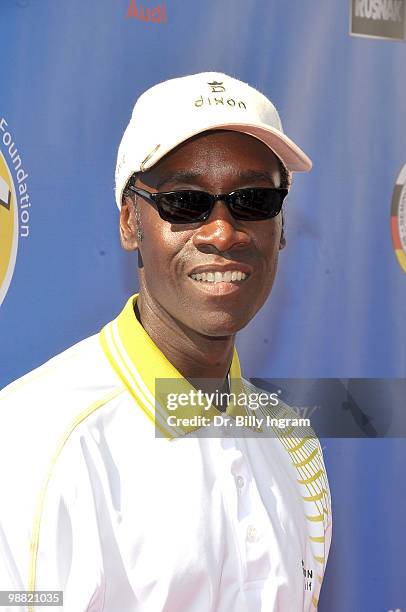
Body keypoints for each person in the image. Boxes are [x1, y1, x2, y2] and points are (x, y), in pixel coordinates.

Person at [0, 72, 332, 612]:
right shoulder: (31, 441)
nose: (223, 232)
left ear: (282, 224)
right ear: (131, 222)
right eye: (185, 202)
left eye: (254, 200)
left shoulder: (294, 445)